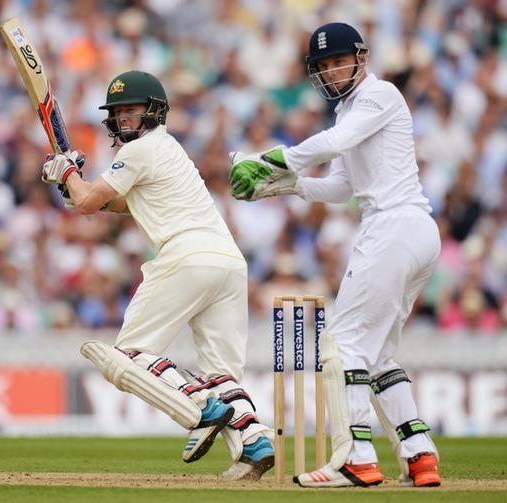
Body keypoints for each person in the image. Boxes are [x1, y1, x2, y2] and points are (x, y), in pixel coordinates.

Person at [229, 23, 442, 488]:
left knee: (343, 343)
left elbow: (333, 144)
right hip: (410, 233)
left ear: (361, 58)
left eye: (337, 60)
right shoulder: (350, 108)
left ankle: (357, 458)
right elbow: (343, 184)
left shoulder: (379, 94)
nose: (330, 70)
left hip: (394, 226)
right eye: (322, 65)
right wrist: (287, 186)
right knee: (380, 353)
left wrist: (267, 160)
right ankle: (419, 454)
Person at [41, 70, 274, 480]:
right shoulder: (169, 152)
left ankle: (199, 406)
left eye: (131, 110)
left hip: (186, 257)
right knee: (221, 373)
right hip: (228, 263)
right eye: (118, 113)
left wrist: (67, 176)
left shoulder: (141, 150)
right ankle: (254, 442)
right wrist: (73, 183)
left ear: (155, 111)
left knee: (127, 355)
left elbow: (87, 203)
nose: (124, 120)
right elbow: (115, 204)